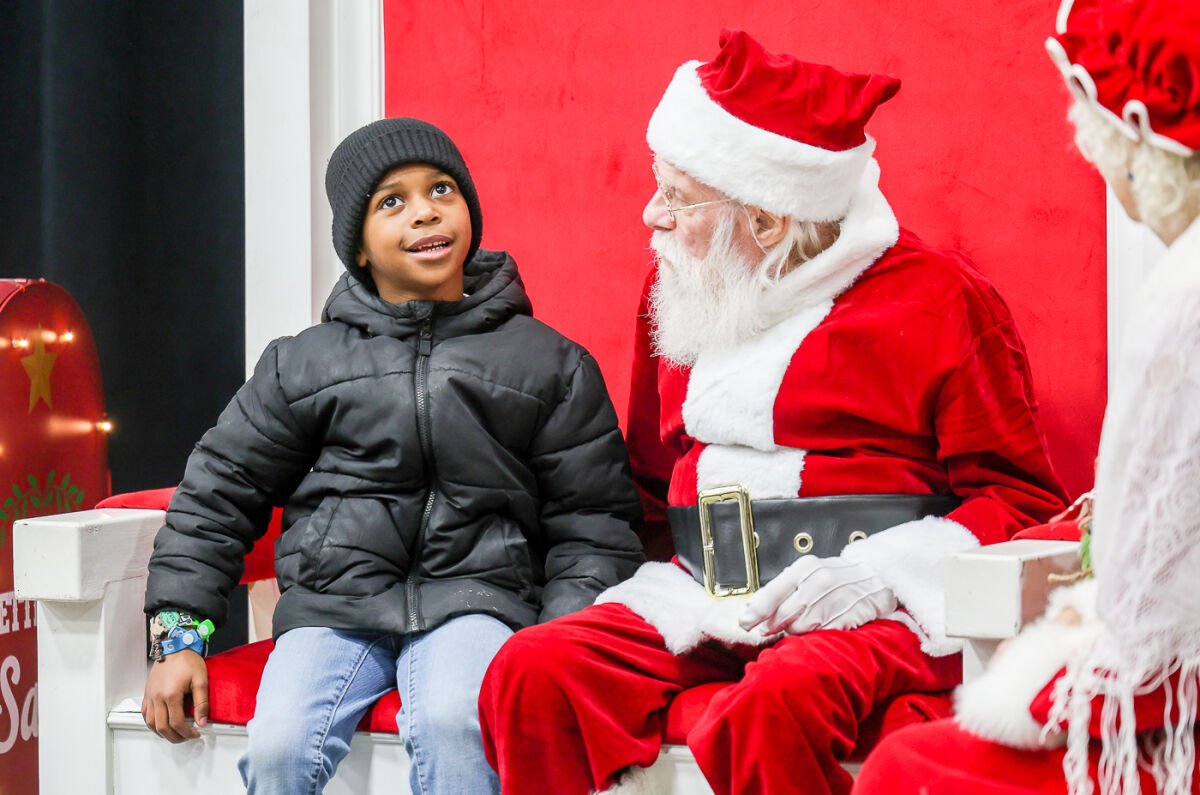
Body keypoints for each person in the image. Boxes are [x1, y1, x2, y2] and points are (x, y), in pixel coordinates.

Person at [478, 29, 1068, 795]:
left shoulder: (942, 301)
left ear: (768, 219)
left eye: (679, 196)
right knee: (532, 670)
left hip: (880, 604)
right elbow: (652, 488)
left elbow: (1025, 505)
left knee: (771, 704)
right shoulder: (687, 290)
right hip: (704, 586)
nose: (651, 214)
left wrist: (878, 575)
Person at [137, 117, 645, 795]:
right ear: (361, 248)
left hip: (479, 601)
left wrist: (558, 641)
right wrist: (181, 636)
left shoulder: (548, 363)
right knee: (283, 744)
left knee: (459, 725)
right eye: (392, 201)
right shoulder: (302, 363)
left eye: (441, 189)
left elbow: (594, 522)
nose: (426, 210)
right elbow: (218, 493)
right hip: (332, 606)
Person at [852, 0, 1200, 793]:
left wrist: (1037, 671)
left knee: (904, 769)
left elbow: (1147, 632)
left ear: (1139, 136)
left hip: (1170, 719)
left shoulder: (1184, 298)